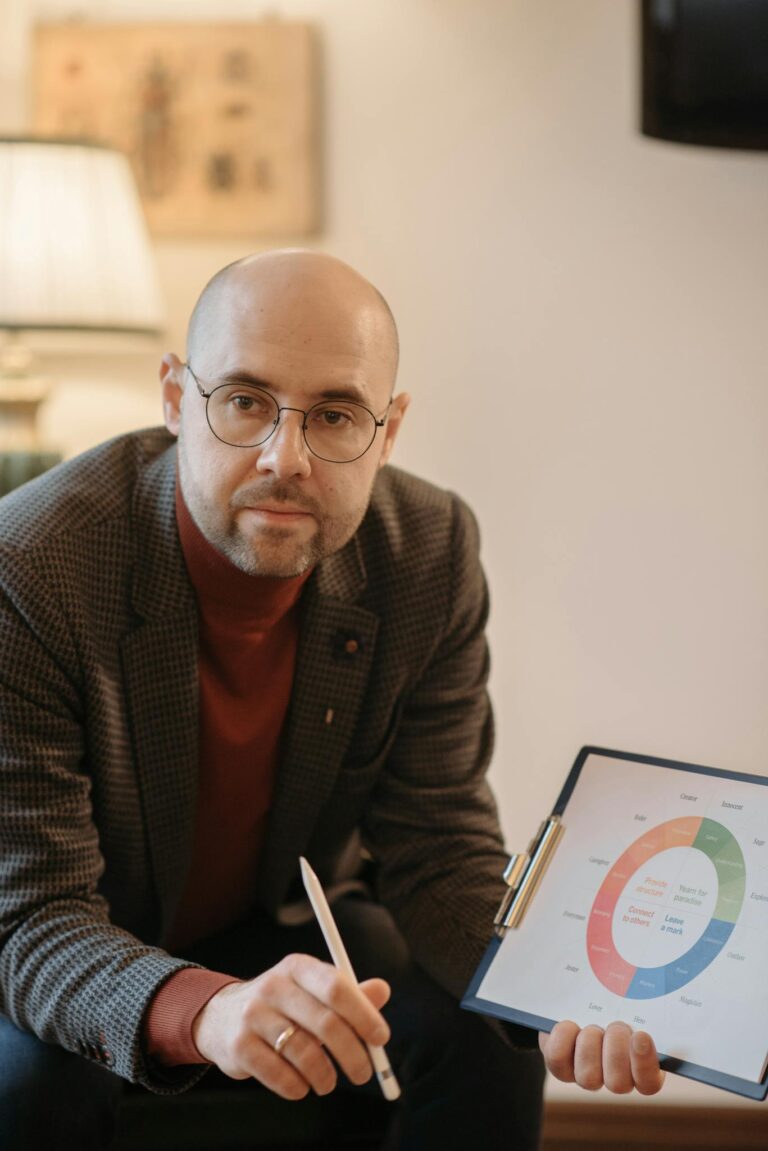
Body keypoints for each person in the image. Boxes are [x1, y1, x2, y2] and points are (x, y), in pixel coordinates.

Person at [0, 250, 663, 1151]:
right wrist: (211, 1011)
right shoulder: (33, 566)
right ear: (172, 397)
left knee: (483, 1034)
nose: (287, 458)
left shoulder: (428, 551)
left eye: (337, 414)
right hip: (74, 943)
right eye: (243, 401)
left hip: (273, 922)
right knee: (37, 1071)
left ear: (388, 432)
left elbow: (438, 850)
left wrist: (555, 995)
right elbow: (31, 916)